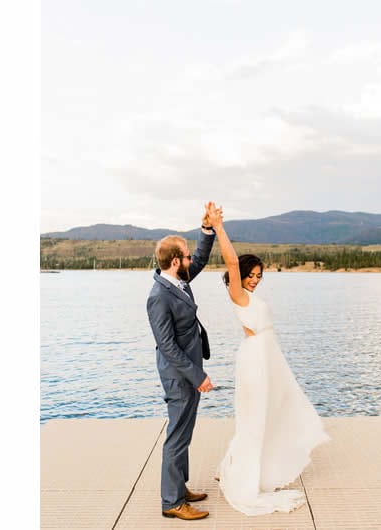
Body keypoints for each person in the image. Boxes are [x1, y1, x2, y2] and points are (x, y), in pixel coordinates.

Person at [210, 202, 329, 515]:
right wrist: (219, 227)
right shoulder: (237, 293)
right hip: (253, 361)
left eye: (258, 275)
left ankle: (229, 467)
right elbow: (231, 263)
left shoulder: (254, 296)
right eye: (250, 274)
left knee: (267, 414)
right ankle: (241, 476)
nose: (254, 279)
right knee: (253, 419)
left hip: (267, 360)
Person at [146, 203, 218, 521]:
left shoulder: (178, 281)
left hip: (187, 372)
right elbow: (167, 346)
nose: (191, 260)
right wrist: (196, 375)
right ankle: (172, 502)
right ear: (175, 261)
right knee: (177, 434)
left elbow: (201, 258)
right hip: (179, 375)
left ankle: (180, 487)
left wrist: (206, 231)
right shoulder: (158, 296)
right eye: (186, 255)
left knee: (184, 432)